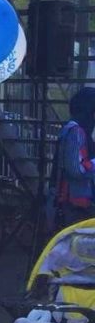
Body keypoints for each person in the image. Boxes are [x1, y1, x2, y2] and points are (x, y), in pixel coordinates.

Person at [54, 87, 95, 226]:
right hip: (73, 204)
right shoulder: (76, 132)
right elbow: (76, 169)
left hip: (76, 202)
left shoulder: (75, 130)